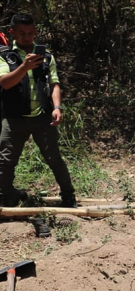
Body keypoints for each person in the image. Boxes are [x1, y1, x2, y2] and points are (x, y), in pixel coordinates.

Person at [0, 13, 76, 208]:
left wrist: (57, 107)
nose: (27, 37)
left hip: (42, 117)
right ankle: (5, 196)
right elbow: (5, 83)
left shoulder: (46, 56)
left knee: (54, 159)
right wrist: (24, 67)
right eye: (22, 33)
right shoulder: (5, 56)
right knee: (5, 161)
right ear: (12, 33)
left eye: (31, 33)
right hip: (14, 117)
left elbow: (54, 84)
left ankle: (69, 196)